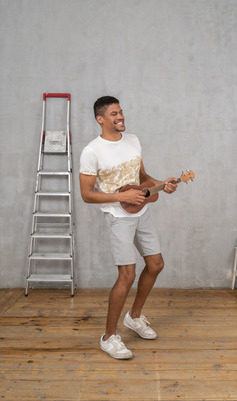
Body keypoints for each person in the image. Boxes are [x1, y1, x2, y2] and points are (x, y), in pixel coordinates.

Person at [79, 96, 177, 359]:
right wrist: (121, 197)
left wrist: (162, 183)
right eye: (113, 114)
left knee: (156, 264)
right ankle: (109, 337)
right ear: (101, 119)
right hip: (118, 217)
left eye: (121, 112)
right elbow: (87, 195)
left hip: (141, 211)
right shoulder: (92, 151)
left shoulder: (133, 140)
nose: (120, 116)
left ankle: (134, 317)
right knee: (127, 275)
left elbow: (142, 178)